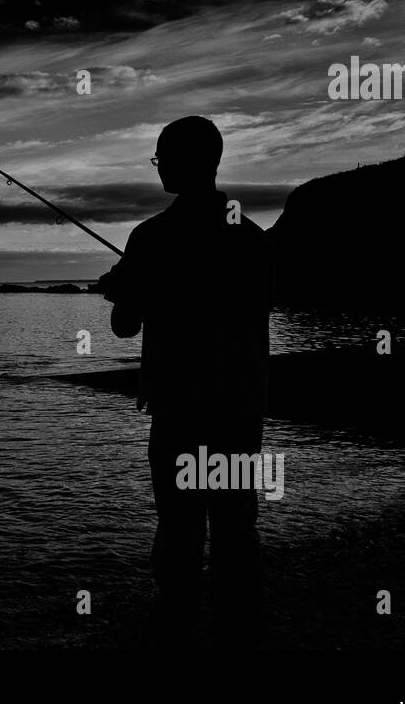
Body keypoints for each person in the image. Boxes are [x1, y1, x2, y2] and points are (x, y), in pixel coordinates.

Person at [96, 115, 273, 648]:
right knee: (236, 525)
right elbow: (257, 310)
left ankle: (176, 627)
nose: (159, 168)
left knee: (179, 526)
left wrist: (121, 289)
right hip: (241, 405)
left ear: (187, 161)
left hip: (177, 407)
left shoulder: (151, 237)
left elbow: (125, 326)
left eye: (161, 157)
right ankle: (237, 627)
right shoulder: (254, 237)